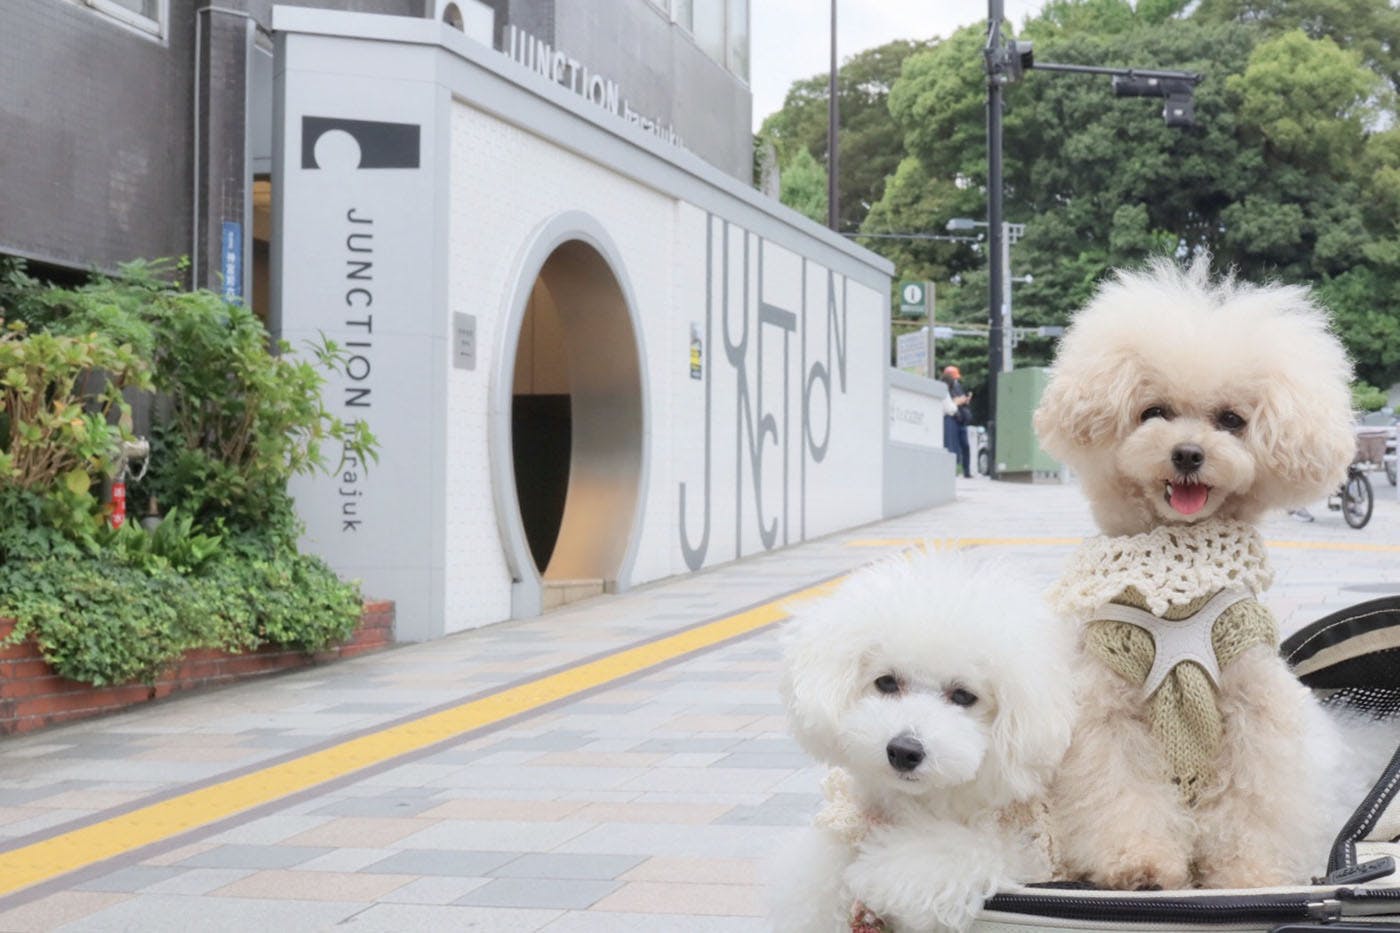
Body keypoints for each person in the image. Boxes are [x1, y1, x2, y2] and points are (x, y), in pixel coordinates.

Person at [941, 365, 973, 478]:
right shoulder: (944, 388)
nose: (956, 380)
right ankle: (952, 470)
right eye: (954, 378)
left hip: (961, 418)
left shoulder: (958, 386)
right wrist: (957, 402)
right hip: (951, 417)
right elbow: (950, 404)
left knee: (965, 445)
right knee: (951, 445)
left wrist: (964, 400)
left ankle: (967, 471)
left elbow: (960, 399)